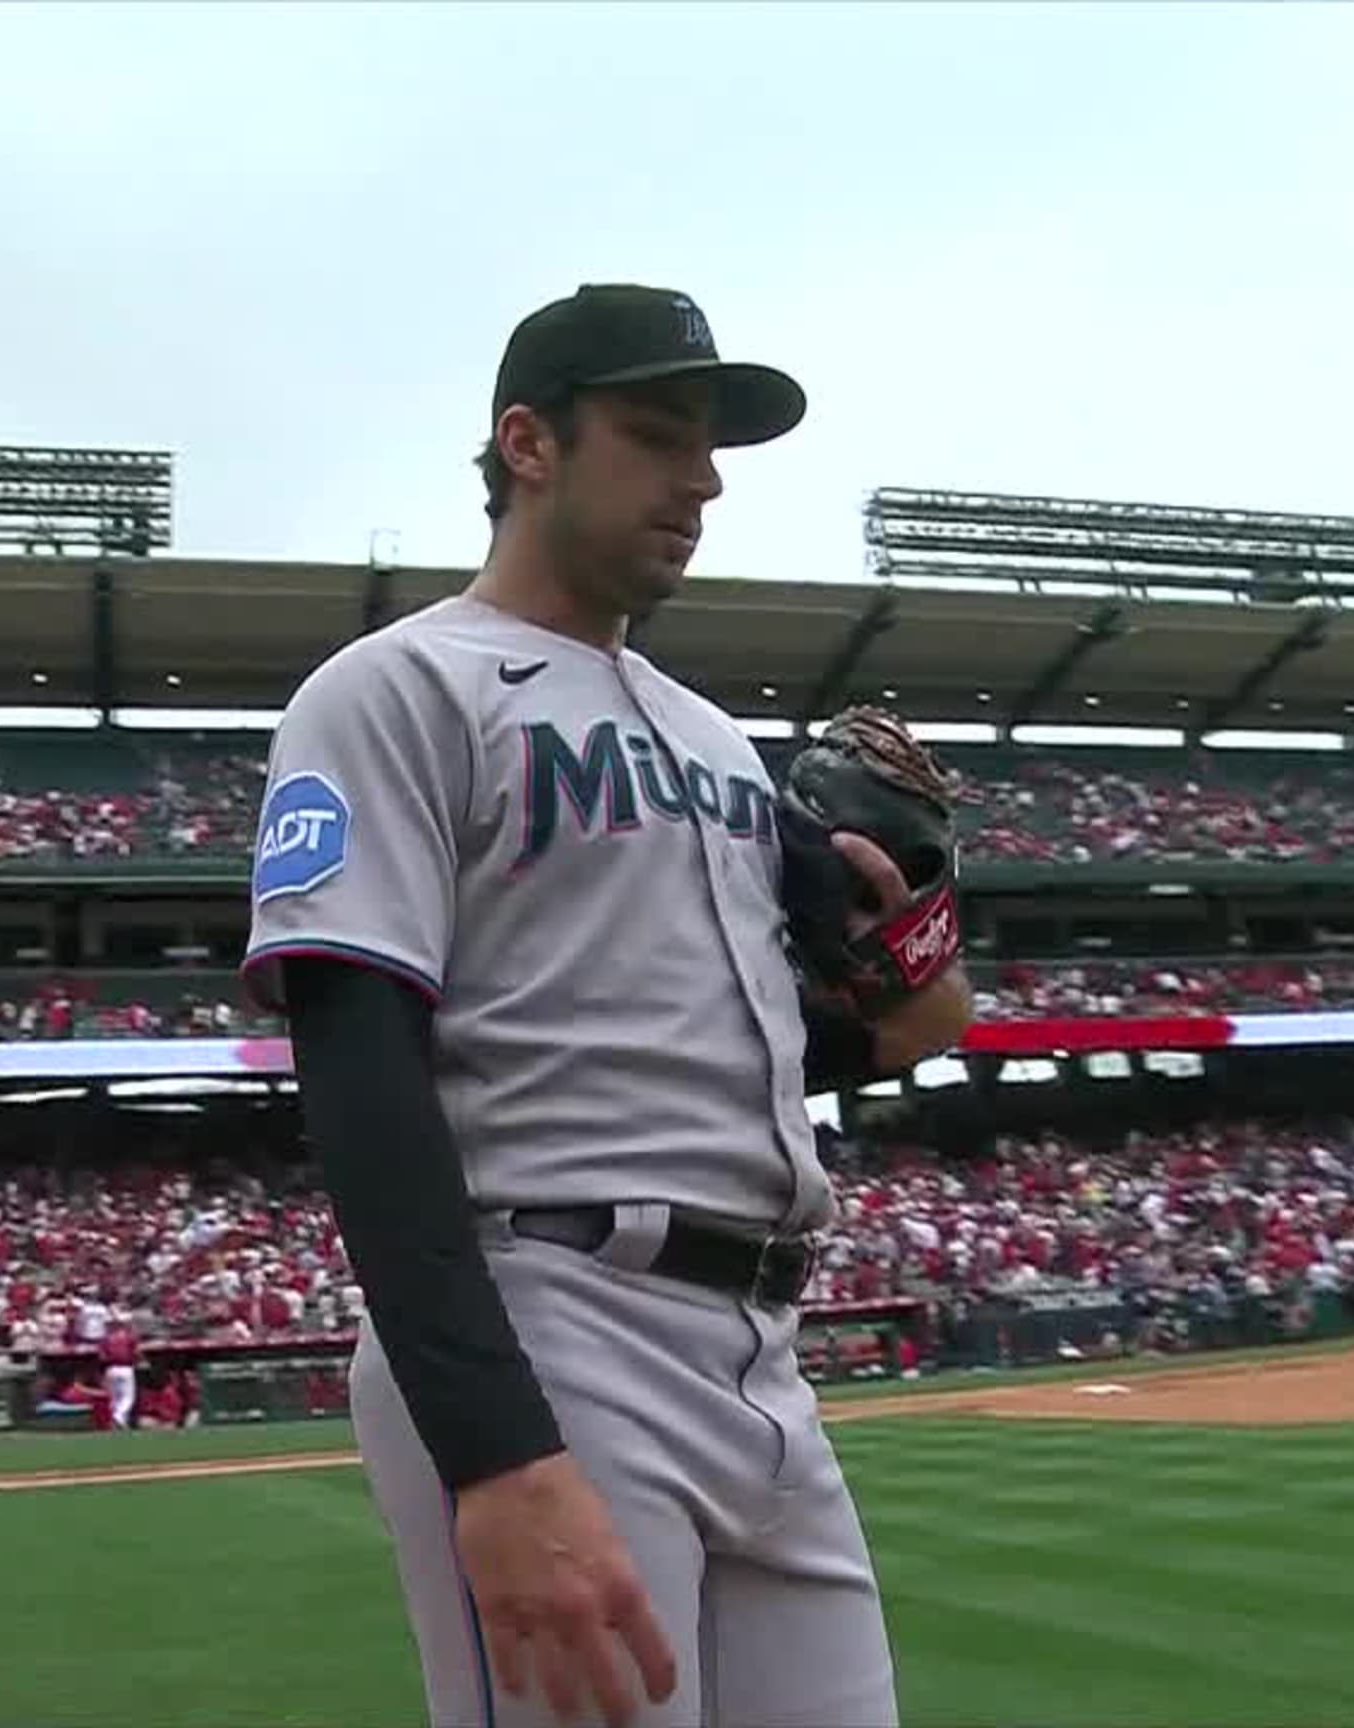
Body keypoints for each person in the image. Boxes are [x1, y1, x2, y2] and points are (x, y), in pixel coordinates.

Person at [240, 284, 976, 1728]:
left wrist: (911, 982)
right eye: (654, 435)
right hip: (553, 1311)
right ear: (529, 443)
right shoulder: (394, 688)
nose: (700, 480)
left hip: (765, 1346)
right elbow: (359, 1070)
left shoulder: (716, 739)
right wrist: (498, 1454)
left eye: (710, 448)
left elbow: (770, 1038)